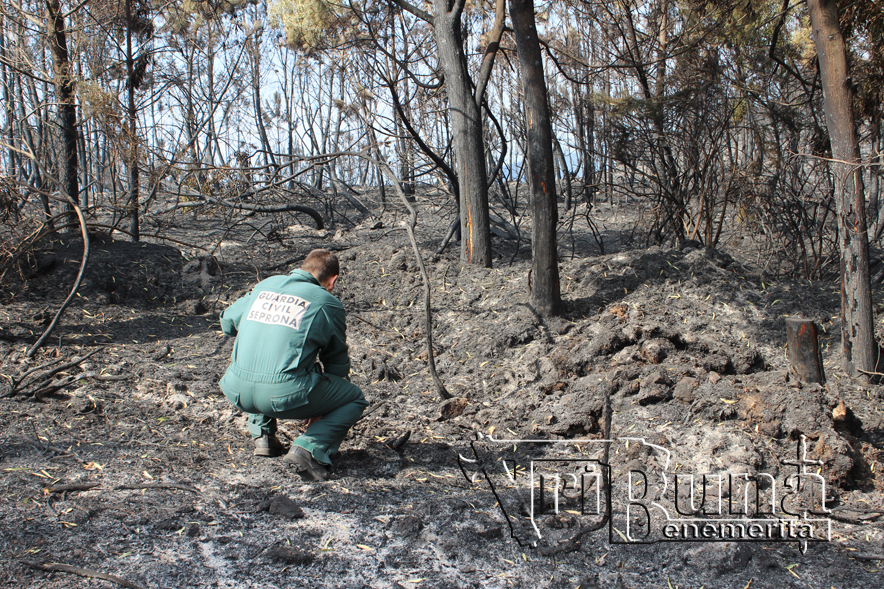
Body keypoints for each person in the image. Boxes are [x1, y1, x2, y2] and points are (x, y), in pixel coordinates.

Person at [218, 249, 367, 480]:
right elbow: (335, 362)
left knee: (267, 359)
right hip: (282, 396)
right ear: (332, 280)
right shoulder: (327, 303)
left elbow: (227, 323)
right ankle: (308, 449)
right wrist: (326, 406)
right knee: (354, 398)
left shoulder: (265, 286)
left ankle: (263, 437)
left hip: (235, 389)